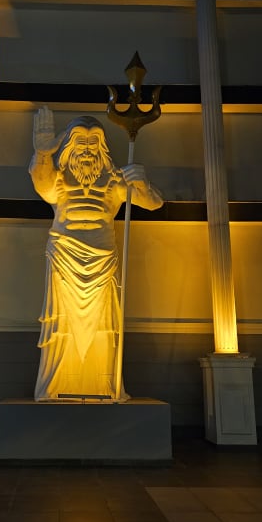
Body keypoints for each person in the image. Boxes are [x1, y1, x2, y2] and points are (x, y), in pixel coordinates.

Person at [29, 106, 163, 401]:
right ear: (69, 146)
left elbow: (153, 203)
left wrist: (141, 182)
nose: (87, 150)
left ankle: (104, 386)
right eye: (81, 142)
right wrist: (42, 154)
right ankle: (54, 386)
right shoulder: (58, 179)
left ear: (101, 146)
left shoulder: (115, 180)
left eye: (93, 143)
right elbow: (42, 184)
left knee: (104, 327)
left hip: (103, 260)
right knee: (62, 326)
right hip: (64, 256)